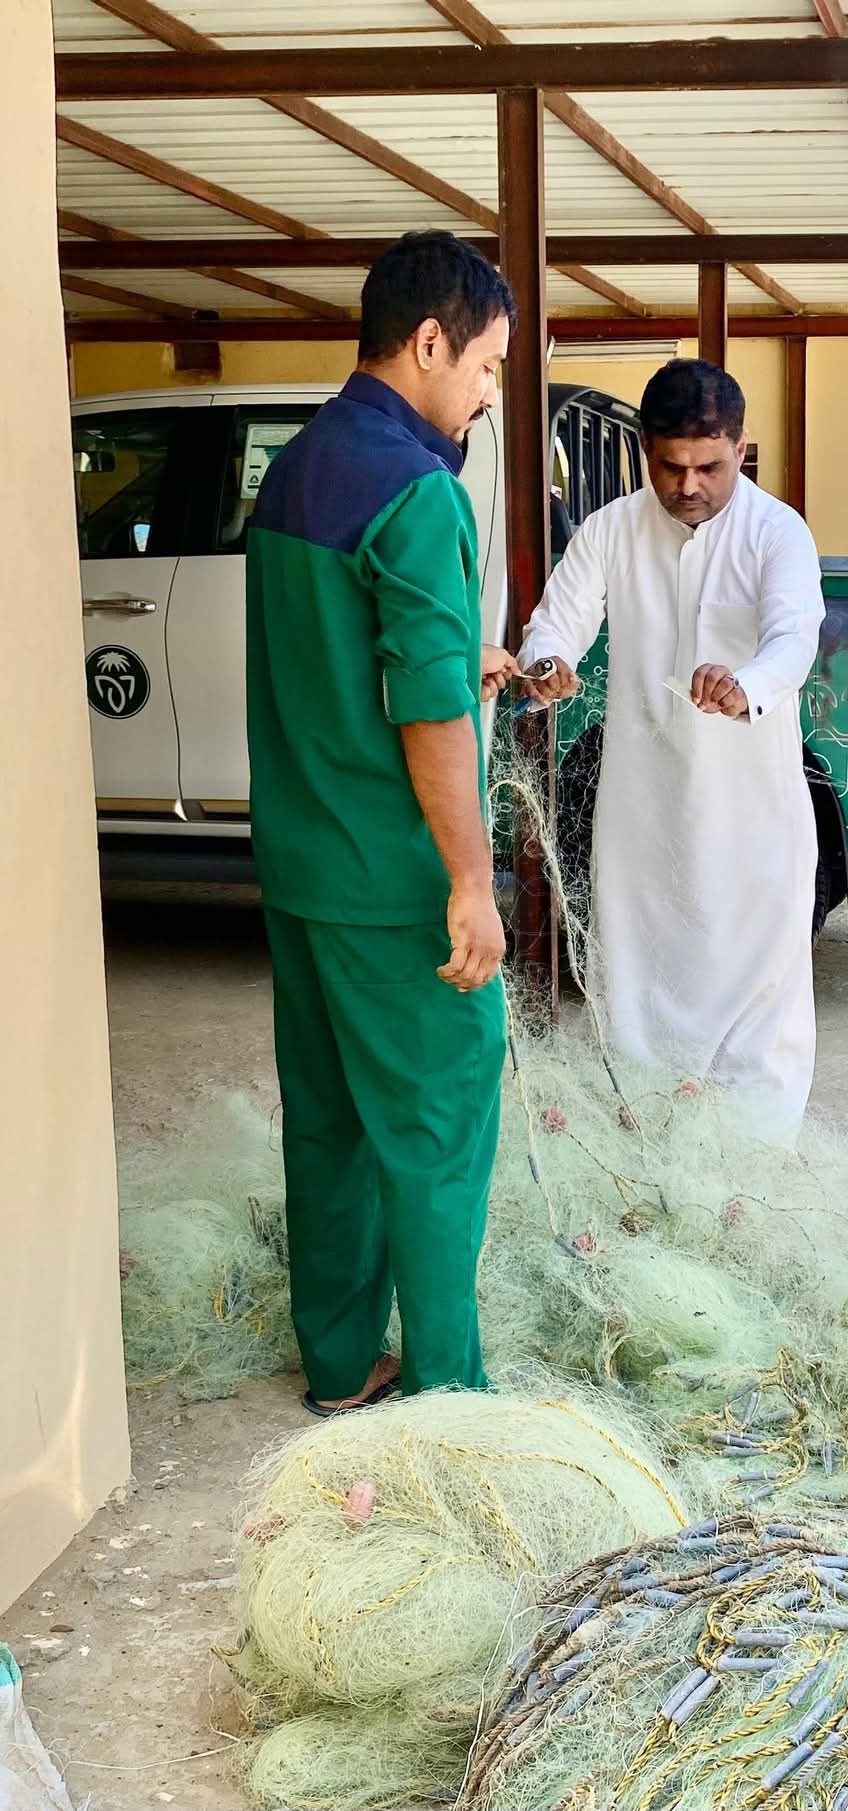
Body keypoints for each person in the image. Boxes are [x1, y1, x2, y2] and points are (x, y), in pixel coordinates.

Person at [246, 230, 518, 1412]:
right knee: (440, 1126)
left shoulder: (294, 465)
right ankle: (449, 1391)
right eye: (488, 365)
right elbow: (423, 710)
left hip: (302, 866)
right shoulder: (419, 490)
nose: (489, 389)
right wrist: (470, 877)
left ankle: (341, 1362)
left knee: (330, 1126)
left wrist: (468, 668)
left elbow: (335, 664)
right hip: (395, 878)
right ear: (426, 343)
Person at [517, 360, 825, 1140]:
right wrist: (551, 662)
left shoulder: (775, 532)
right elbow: (559, 619)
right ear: (644, 450)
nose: (689, 485)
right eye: (670, 466)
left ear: (741, 448)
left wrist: (746, 683)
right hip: (644, 818)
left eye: (709, 467)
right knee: (638, 1001)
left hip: (752, 825)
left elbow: (794, 638)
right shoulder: (611, 529)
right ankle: (653, 1183)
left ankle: (751, 1194)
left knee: (759, 1028)